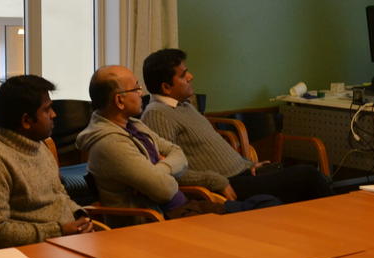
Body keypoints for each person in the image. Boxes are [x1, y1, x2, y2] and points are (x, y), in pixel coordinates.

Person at [76, 65, 278, 219]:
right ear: (119, 101)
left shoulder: (134, 125)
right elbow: (163, 190)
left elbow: (178, 152)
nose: (141, 93)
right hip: (160, 219)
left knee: (267, 202)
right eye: (136, 88)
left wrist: (159, 169)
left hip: (183, 207)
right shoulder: (110, 143)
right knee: (266, 210)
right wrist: (165, 170)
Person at [140, 49, 331, 204]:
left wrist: (250, 165)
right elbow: (169, 172)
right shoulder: (157, 114)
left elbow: (215, 151)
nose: (191, 76)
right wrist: (215, 181)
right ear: (166, 87)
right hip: (228, 184)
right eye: (183, 75)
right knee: (307, 177)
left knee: (310, 180)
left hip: (244, 173)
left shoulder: (184, 106)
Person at [0, 74, 92, 248]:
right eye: (47, 110)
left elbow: (59, 196)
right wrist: (59, 231)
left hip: (65, 243)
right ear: (26, 121)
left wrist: (79, 216)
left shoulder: (37, 145)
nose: (54, 114)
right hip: (34, 253)